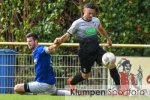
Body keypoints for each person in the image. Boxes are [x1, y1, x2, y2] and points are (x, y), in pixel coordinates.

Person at [53, 3, 120, 91]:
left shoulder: (96, 20)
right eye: (89, 13)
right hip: (85, 53)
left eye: (93, 13)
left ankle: (120, 89)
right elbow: (67, 35)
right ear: (84, 11)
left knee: (111, 64)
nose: (91, 15)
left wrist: (108, 38)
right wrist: (59, 40)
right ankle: (72, 82)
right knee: (85, 76)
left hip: (96, 49)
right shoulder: (77, 23)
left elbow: (100, 29)